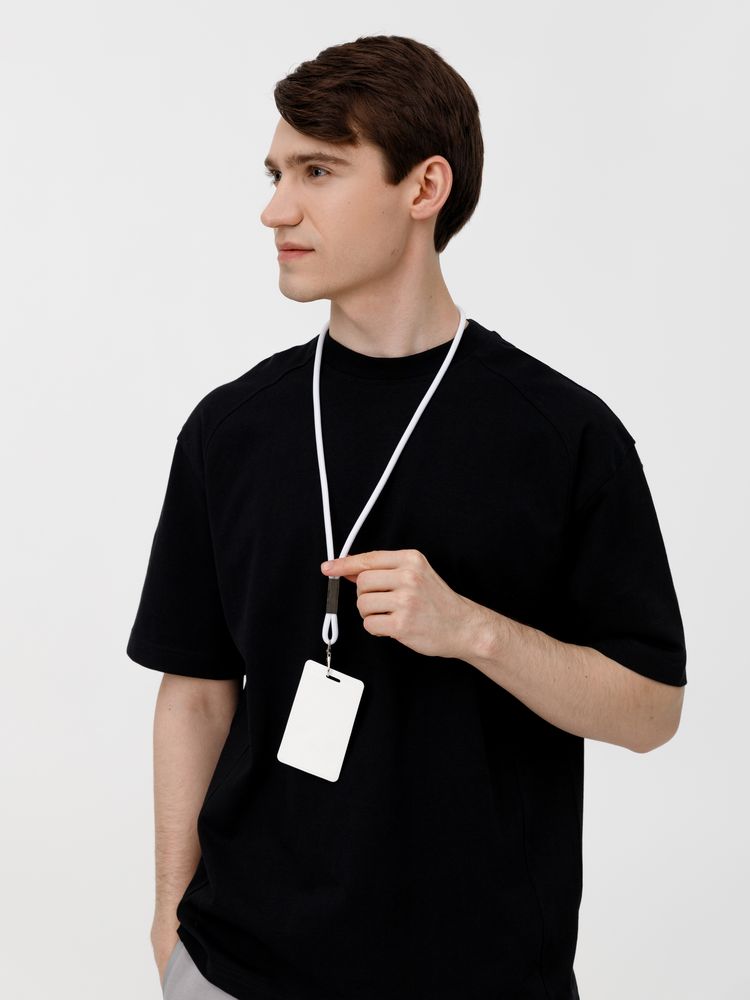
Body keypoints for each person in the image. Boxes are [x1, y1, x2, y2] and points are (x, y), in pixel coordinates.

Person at [127, 34, 687, 1000]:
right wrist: (172, 917)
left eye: (318, 171)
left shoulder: (565, 435)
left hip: (481, 972)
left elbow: (652, 710)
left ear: (425, 187)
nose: (275, 209)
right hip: (238, 966)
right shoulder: (230, 430)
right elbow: (196, 691)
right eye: (275, 173)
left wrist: (471, 630)